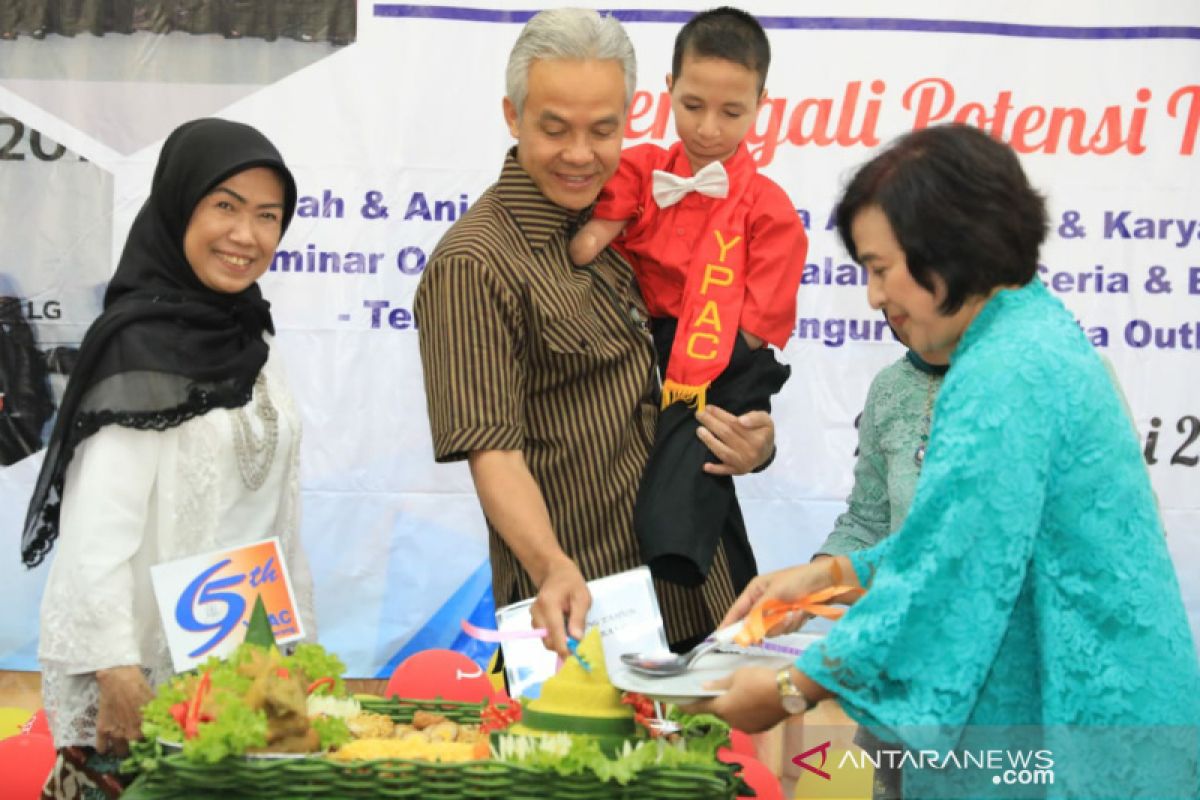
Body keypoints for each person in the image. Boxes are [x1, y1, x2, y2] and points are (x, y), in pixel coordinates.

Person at [689, 124, 1200, 798]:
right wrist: (825, 578)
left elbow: (952, 569)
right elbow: (949, 538)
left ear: (948, 250)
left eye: (879, 269)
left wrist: (791, 688)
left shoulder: (1007, 371)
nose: (873, 297)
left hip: (1078, 740)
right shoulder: (1023, 339)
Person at [414, 7, 776, 659]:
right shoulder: (474, 263)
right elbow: (492, 449)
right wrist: (550, 563)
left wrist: (751, 442)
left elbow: (697, 374)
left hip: (704, 579)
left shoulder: (644, 224)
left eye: (603, 130)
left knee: (720, 764)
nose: (580, 155)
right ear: (512, 116)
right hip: (583, 612)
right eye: (554, 129)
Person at [22, 118, 315, 798]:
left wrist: (290, 659)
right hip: (146, 686)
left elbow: (282, 519)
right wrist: (116, 670)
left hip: (242, 681)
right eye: (225, 206)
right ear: (180, 207)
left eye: (267, 216)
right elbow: (96, 536)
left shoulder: (253, 344)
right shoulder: (136, 351)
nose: (247, 235)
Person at [566, 6, 807, 594]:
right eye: (693, 105)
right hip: (649, 342)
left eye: (733, 112)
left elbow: (762, 318)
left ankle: (675, 556)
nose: (708, 128)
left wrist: (709, 362)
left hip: (728, 353)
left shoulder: (770, 207)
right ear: (669, 88)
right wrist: (598, 233)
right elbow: (606, 223)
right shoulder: (642, 168)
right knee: (675, 462)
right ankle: (714, 579)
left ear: (761, 104)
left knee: (694, 445)